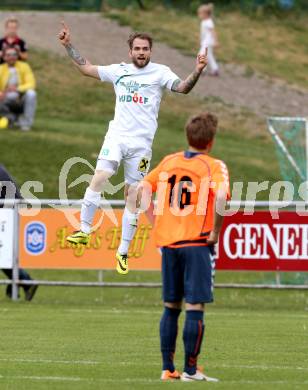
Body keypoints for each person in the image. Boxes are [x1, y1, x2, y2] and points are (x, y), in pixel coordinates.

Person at [58, 22, 208, 275]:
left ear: (150, 51)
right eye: (137, 48)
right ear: (130, 51)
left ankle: (123, 252)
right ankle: (84, 230)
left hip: (141, 146)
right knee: (101, 176)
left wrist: (198, 70)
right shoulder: (119, 71)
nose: (141, 52)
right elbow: (86, 68)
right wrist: (68, 45)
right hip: (117, 136)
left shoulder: (160, 73)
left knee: (133, 196)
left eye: (145, 49)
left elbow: (183, 88)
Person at [142, 113, 230, 381]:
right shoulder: (213, 165)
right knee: (195, 307)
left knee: (171, 306)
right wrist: (215, 230)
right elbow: (222, 197)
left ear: (187, 136)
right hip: (196, 242)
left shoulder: (169, 161)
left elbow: (137, 190)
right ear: (211, 142)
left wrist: (155, 223)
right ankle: (191, 370)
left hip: (169, 243)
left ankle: (168, 369)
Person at [0, 164, 38, 301]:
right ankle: (21, 282)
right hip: (10, 212)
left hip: (7, 213)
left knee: (3, 255)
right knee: (4, 255)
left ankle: (25, 281)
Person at [0, 47, 36, 131]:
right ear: (4, 57)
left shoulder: (24, 66)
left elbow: (31, 84)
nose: (12, 57)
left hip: (20, 98)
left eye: (14, 54)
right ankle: (11, 119)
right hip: (4, 98)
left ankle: (26, 125)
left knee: (31, 94)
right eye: (9, 55)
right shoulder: (1, 68)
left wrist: (17, 89)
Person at [198, 3, 219, 76]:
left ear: (205, 14)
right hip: (206, 42)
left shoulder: (209, 22)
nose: (199, 15)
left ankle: (202, 69)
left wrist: (216, 41)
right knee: (209, 55)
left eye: (200, 13)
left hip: (208, 42)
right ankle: (215, 69)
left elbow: (213, 32)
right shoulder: (204, 21)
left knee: (201, 54)